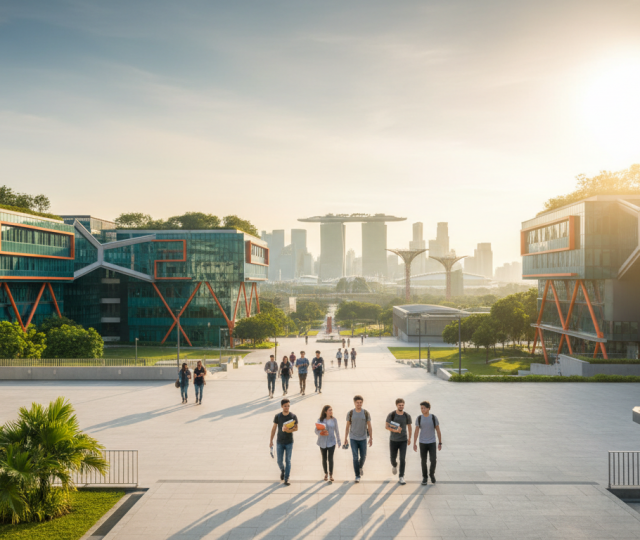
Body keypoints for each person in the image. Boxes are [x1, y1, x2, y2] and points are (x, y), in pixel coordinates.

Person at [344, 395, 373, 483]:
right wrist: (345, 438)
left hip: (363, 438)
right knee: (355, 457)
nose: (359, 404)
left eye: (360, 402)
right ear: (354, 403)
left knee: (363, 456)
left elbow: (369, 426)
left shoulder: (366, 413)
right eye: (357, 403)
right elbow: (347, 426)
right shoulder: (350, 413)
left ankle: (360, 466)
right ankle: (357, 475)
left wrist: (371, 438)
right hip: (353, 438)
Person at [270, 399, 298, 486]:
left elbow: (296, 428)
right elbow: (274, 428)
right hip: (280, 442)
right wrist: (271, 440)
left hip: (289, 442)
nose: (287, 407)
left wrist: (289, 430)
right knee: (279, 461)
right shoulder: (278, 416)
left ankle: (287, 478)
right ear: (282, 406)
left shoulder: (293, 416)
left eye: (288, 406)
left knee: (288, 460)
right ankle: (283, 470)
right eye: (285, 406)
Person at [413, 401, 442, 485]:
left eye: (424, 408)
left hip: (432, 442)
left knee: (433, 460)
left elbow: (438, 430)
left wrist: (440, 443)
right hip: (422, 442)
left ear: (428, 408)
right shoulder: (419, 418)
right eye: (421, 408)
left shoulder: (433, 417)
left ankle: (431, 474)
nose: (422, 410)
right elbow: (416, 431)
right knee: (423, 460)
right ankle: (425, 477)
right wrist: (414, 443)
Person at [386, 398, 412, 485]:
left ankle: (401, 476)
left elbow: (409, 427)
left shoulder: (407, 415)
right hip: (393, 440)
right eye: (400, 405)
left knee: (402, 458)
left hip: (403, 440)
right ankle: (394, 465)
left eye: (402, 405)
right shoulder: (392, 414)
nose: (401, 406)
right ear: (396, 405)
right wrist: (396, 430)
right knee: (392, 458)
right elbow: (386, 426)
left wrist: (409, 438)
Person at [315, 405, 341, 482]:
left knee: (330, 458)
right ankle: (325, 473)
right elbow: (316, 431)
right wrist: (321, 432)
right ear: (325, 411)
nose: (331, 411)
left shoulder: (334, 420)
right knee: (324, 458)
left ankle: (331, 474)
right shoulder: (320, 420)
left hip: (331, 442)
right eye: (329, 410)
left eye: (331, 410)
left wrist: (339, 441)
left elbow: (337, 431)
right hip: (322, 442)